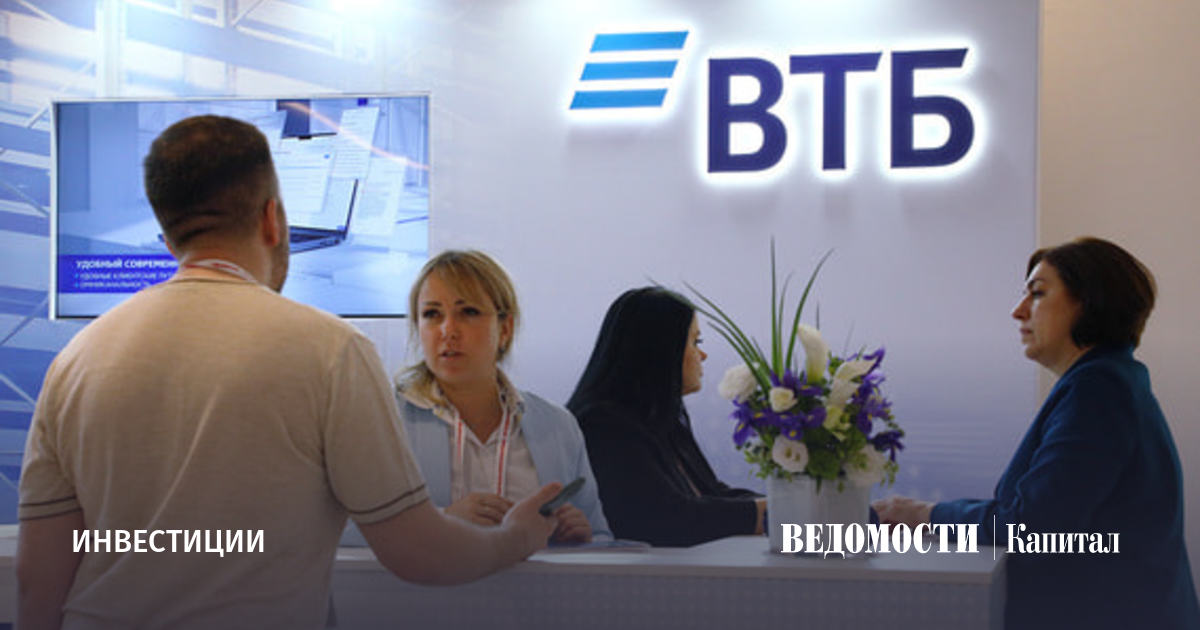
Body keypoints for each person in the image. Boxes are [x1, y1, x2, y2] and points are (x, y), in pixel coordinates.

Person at [16, 115, 561, 630]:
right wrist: (516, 537)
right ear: (272, 219)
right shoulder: (331, 350)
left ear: (166, 235)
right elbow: (418, 553)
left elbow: (39, 575)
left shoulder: (76, 360)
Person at [874, 237, 1200, 629]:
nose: (1018, 311)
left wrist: (925, 515)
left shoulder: (1097, 389)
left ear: (1089, 302)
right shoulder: (1112, 380)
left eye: (1038, 293)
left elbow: (1032, 525)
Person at [395, 249, 610, 543]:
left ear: (505, 328)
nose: (448, 330)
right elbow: (342, 531)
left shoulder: (559, 426)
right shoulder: (383, 422)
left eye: (468, 312)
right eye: (432, 314)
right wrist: (441, 521)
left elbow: (602, 538)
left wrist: (582, 536)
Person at [567, 287, 766, 547]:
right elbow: (669, 519)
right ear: (662, 349)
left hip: (687, 565)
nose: (702, 355)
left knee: (816, 544)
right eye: (695, 343)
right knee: (812, 545)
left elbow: (712, 492)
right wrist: (770, 516)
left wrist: (788, 510)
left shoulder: (661, 420)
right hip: (647, 571)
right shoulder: (604, 426)